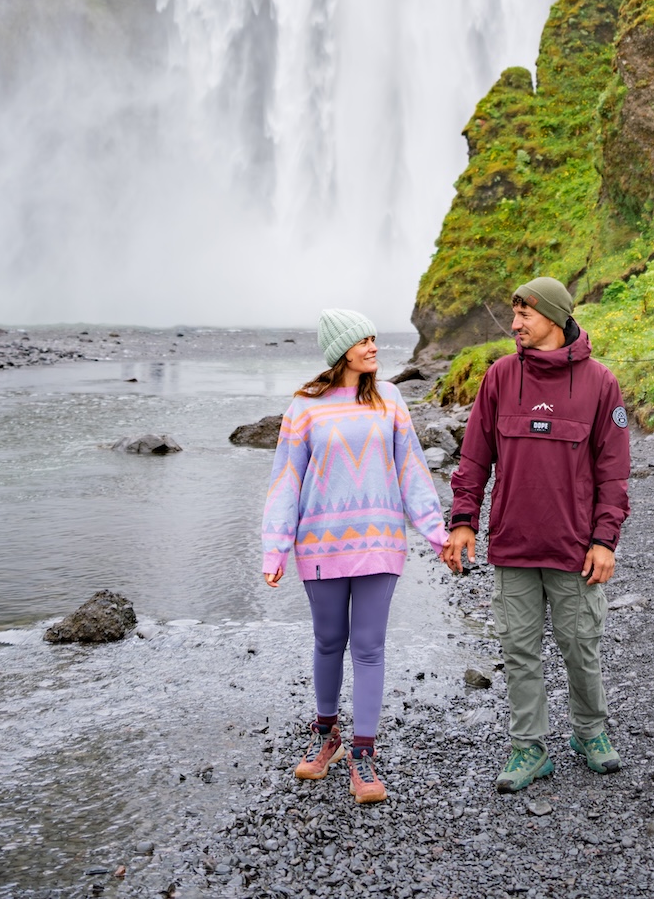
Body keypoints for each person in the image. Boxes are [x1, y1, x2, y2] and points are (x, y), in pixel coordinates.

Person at [444, 276, 630, 793]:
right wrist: (463, 521)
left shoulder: (600, 383)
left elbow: (614, 472)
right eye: (515, 313)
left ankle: (589, 733)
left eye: (525, 314)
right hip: (514, 545)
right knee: (519, 649)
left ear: (553, 316)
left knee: (581, 645)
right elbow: (474, 458)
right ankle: (529, 747)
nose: (515, 323)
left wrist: (605, 540)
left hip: (576, 549)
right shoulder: (500, 377)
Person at [262, 308, 448, 803]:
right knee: (328, 642)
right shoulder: (305, 405)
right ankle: (327, 737)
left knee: (368, 647)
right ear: (341, 350)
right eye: (363, 340)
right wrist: (275, 547)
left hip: (379, 541)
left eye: (373, 339)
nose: (373, 347)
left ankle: (363, 756)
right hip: (320, 544)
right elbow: (286, 480)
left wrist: (437, 533)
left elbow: (412, 470)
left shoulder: (390, 398)